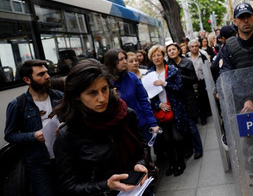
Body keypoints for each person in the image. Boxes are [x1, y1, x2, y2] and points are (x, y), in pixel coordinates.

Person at [53, 59, 150, 196]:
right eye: (92, 93)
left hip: (138, 189)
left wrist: (141, 164)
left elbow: (142, 146)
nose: (102, 98)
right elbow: (68, 186)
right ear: (77, 96)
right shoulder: (68, 134)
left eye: (104, 89)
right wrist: (105, 185)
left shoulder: (126, 114)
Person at [5, 59, 63, 196]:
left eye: (47, 73)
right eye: (41, 74)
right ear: (27, 80)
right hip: (38, 165)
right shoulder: (18, 105)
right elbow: (10, 135)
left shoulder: (59, 97)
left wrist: (65, 126)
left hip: (63, 159)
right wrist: (33, 136)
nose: (48, 76)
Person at [147, 45, 189, 176]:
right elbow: (148, 95)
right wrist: (159, 105)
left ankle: (181, 163)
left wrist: (164, 83)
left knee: (177, 137)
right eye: (154, 56)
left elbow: (179, 87)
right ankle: (172, 164)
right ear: (151, 58)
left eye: (159, 55)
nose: (157, 57)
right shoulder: (149, 75)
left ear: (163, 56)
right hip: (161, 111)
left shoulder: (171, 70)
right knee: (167, 140)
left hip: (175, 108)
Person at [104, 48, 159, 143]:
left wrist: (152, 122)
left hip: (140, 125)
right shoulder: (105, 83)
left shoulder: (132, 77)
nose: (125, 62)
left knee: (145, 155)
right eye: (121, 59)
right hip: (121, 129)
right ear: (112, 62)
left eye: (125, 58)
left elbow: (144, 101)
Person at [166, 43, 203, 159]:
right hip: (177, 99)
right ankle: (189, 149)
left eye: (173, 49)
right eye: (169, 50)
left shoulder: (187, 62)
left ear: (178, 51)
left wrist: (179, 76)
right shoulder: (168, 65)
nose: (171, 52)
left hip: (188, 97)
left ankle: (198, 149)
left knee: (192, 124)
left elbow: (194, 79)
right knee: (183, 126)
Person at [187, 39, 212, 125]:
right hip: (190, 82)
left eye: (196, 46)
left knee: (203, 100)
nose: (194, 48)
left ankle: (203, 117)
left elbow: (209, 68)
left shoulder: (203, 55)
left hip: (202, 81)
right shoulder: (186, 57)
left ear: (198, 46)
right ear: (189, 48)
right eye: (192, 46)